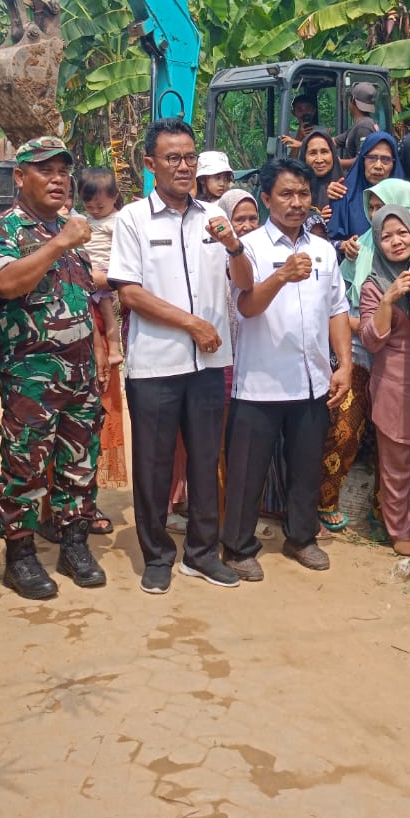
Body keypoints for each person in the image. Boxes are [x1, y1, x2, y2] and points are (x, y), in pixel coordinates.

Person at [110, 118, 255, 593]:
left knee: (205, 462)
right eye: (172, 158)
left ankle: (201, 554)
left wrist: (234, 245)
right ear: (150, 164)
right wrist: (193, 324)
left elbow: (244, 283)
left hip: (209, 366)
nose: (184, 166)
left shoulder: (214, 216)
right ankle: (157, 556)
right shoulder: (133, 218)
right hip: (156, 363)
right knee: (153, 465)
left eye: (190, 157)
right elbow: (130, 293)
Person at [0, 136, 110, 598]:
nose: (58, 180)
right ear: (20, 177)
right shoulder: (7, 230)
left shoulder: (68, 230)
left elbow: (82, 298)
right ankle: (20, 556)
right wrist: (59, 243)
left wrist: (99, 349)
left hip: (79, 373)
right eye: (45, 171)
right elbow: (7, 283)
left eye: (63, 171)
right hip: (32, 377)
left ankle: (74, 546)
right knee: (25, 465)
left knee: (79, 463)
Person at [223, 157, 352, 578]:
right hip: (259, 382)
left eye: (303, 193)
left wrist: (344, 364)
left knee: (306, 466)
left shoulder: (323, 250)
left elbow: (337, 309)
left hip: (311, 380)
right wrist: (281, 277)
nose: (297, 202)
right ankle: (238, 547)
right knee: (248, 470)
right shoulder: (249, 248)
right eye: (286, 194)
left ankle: (301, 537)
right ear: (266, 199)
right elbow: (245, 306)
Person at [317, 177, 410, 531]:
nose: (378, 217)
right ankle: (325, 500)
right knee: (345, 429)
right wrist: (369, 321)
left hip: (404, 366)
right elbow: (338, 308)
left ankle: (385, 513)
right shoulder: (360, 251)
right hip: (361, 355)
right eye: (373, 210)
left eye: (387, 208)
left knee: (392, 441)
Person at [358, 200, 410, 555]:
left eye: (402, 232)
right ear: (377, 242)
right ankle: (400, 530)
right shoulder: (374, 284)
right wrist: (388, 300)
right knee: (396, 463)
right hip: (395, 383)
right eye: (386, 236)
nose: (396, 241)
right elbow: (370, 340)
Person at [79, 166, 128, 505]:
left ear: (113, 199)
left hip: (106, 278)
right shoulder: (79, 223)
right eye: (90, 205)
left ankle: (114, 351)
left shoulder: (120, 222)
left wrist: (108, 277)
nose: (95, 210)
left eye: (101, 204)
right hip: (87, 284)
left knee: (108, 315)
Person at [326, 129, 402, 262]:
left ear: (394, 164)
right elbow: (325, 243)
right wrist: (343, 245)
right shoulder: (343, 194)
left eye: (386, 159)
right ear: (362, 160)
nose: (378, 166)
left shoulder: (403, 196)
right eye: (372, 158)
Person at [301, 129, 346, 231]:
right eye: (313, 153)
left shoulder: (345, 187)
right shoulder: (295, 192)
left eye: (324, 152)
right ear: (304, 157)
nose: (319, 160)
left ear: (333, 154)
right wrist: (314, 219)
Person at [337, 81, 381, 174]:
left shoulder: (364, 127)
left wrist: (338, 162)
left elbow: (362, 159)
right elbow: (335, 141)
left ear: (352, 100)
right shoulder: (360, 125)